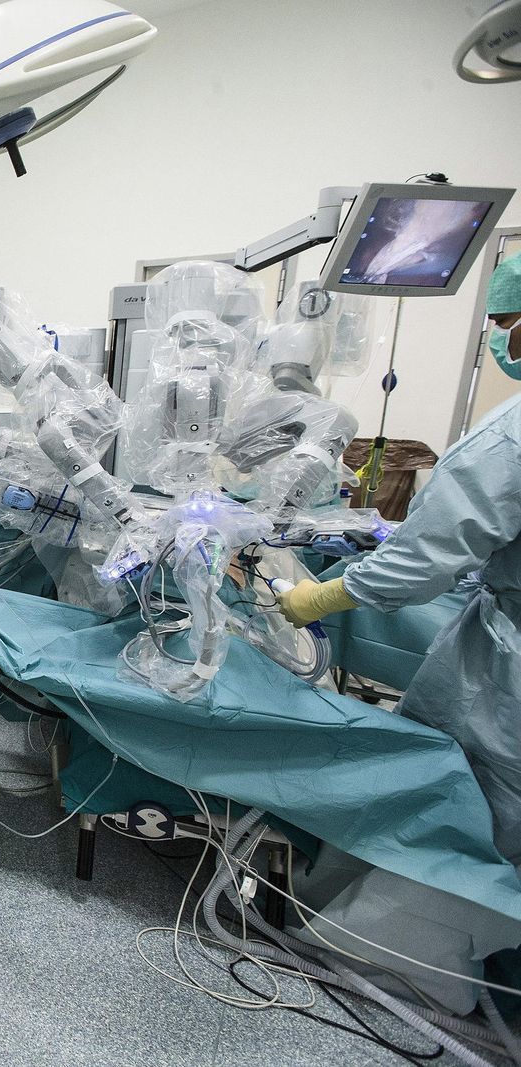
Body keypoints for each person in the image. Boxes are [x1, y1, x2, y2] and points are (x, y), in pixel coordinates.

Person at [279, 254, 521, 862]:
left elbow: (423, 562)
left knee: (480, 799)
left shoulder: (508, 438)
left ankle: (458, 926)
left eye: (505, 322)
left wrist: (323, 596)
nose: (500, 338)